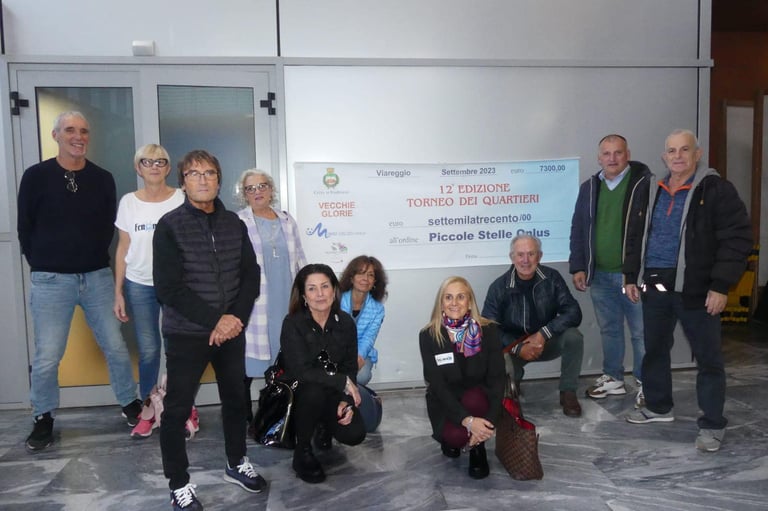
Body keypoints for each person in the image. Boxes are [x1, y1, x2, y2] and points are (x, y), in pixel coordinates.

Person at [17, 111, 141, 453]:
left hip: (96, 277)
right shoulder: (36, 176)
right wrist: (42, 262)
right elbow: (25, 226)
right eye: (70, 130)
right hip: (51, 279)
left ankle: (130, 404)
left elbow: (107, 226)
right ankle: (43, 416)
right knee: (48, 355)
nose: (78, 136)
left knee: (115, 346)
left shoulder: (102, 178)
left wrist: (90, 258)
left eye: (84, 131)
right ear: (56, 135)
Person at [624, 129, 752, 452]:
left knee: (708, 360)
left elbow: (737, 239)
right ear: (664, 156)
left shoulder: (717, 190)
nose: (677, 156)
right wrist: (630, 275)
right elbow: (635, 234)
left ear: (698, 154)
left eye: (684, 150)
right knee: (654, 350)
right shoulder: (651, 189)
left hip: (697, 290)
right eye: (672, 151)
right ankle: (658, 407)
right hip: (654, 288)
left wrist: (720, 286)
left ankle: (712, 424)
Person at [154, 150, 265, 510]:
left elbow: (250, 275)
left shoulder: (234, 223)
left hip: (230, 332)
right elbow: (168, 288)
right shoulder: (169, 226)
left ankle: (236, 462)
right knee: (177, 409)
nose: (203, 179)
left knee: (235, 400)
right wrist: (215, 320)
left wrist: (234, 319)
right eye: (194, 173)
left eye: (210, 173)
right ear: (183, 182)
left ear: (219, 180)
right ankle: (178, 483)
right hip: (186, 333)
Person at [113, 144, 190, 439]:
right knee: (148, 350)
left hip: (175, 285)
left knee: (178, 349)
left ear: (168, 168)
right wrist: (118, 291)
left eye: (160, 162)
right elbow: (123, 248)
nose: (154, 166)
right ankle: (149, 408)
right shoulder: (128, 203)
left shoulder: (181, 198)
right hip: (139, 284)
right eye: (147, 161)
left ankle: (181, 408)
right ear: (138, 168)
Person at [569, 134, 651, 407]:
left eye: (618, 153)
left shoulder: (644, 184)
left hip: (633, 276)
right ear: (599, 158)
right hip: (600, 275)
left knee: (641, 333)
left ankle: (646, 383)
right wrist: (579, 266)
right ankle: (614, 377)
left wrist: (638, 273)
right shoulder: (590, 187)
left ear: (628, 154)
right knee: (610, 330)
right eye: (606, 153)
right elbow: (578, 228)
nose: (612, 158)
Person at [280, 263, 366, 484]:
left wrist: (346, 400)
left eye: (325, 286)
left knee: (355, 434)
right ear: (303, 296)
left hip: (333, 391)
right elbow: (300, 371)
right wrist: (342, 382)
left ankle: (323, 425)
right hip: (299, 394)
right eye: (312, 288)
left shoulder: (345, 323)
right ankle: (302, 451)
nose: (320, 294)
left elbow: (349, 367)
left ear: (334, 290)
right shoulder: (293, 323)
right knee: (314, 392)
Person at [482, 234, 584, 417]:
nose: (526, 260)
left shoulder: (552, 278)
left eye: (531, 254)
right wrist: (519, 347)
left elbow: (573, 312)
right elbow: (489, 329)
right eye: (520, 255)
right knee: (498, 359)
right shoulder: (498, 287)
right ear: (512, 257)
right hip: (514, 346)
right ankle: (512, 386)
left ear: (540, 256)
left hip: (547, 341)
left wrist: (544, 333)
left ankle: (568, 392)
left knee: (574, 336)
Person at [235, 169, 306, 423]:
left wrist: (306, 292)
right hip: (254, 303)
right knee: (246, 364)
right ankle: (243, 417)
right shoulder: (238, 222)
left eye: (262, 186)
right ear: (244, 194)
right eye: (250, 188)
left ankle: (275, 413)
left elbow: (300, 258)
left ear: (271, 189)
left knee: (283, 359)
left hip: (285, 299)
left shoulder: (287, 220)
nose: (257, 192)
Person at [419, 276, 504, 480]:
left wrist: (488, 423)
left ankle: (477, 447)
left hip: (478, 399)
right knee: (455, 438)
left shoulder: (489, 331)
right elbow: (437, 385)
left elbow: (497, 379)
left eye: (461, 297)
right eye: (448, 297)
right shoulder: (428, 335)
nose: (454, 303)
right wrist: (467, 420)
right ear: (441, 303)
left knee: (474, 398)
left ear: (470, 302)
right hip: (445, 401)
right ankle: (463, 433)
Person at [338, 255, 388, 386]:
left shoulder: (378, 309)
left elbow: (369, 337)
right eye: (360, 273)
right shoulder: (336, 300)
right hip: (336, 351)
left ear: (375, 281)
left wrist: (359, 357)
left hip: (361, 352)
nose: (365, 279)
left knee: (361, 376)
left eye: (370, 275)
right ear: (351, 278)